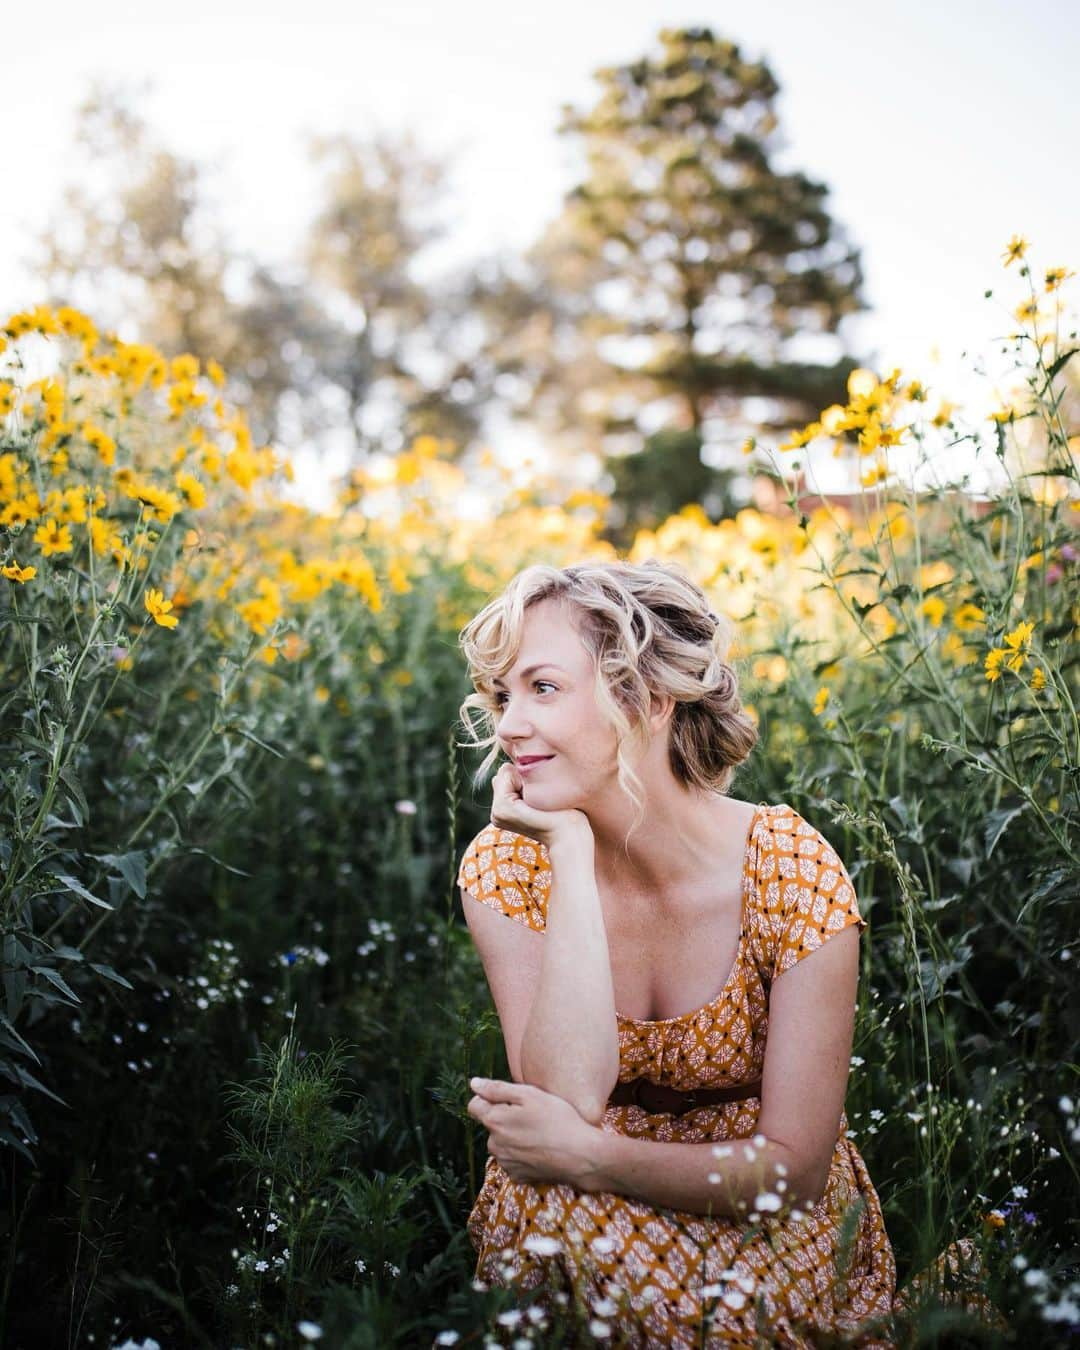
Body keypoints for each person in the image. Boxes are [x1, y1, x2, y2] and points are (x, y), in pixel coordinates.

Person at [453, 558, 898, 1347]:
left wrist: (595, 1157)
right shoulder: (508, 865)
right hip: (572, 1201)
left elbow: (792, 1170)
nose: (508, 725)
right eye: (501, 696)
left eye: (542, 688)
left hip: (750, 1204)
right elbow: (567, 1093)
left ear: (650, 700)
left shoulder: (788, 869)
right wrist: (569, 859)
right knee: (565, 1245)